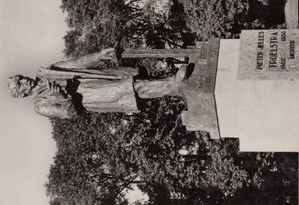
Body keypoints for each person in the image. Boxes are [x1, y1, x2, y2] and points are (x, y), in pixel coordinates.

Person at [7, 48, 187, 119]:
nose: (24, 81)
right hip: (92, 97)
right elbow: (70, 113)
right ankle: (173, 83)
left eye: (20, 78)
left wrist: (98, 56)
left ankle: (175, 86)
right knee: (132, 88)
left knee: (134, 82)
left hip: (95, 78)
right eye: (20, 84)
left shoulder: (48, 71)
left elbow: (77, 63)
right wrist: (61, 97)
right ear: (21, 94)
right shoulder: (40, 106)